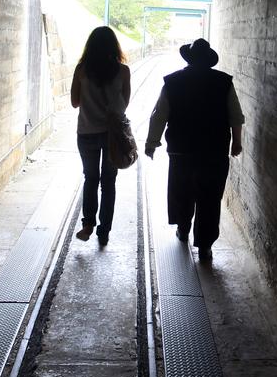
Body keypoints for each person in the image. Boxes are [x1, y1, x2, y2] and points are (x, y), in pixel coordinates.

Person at [144, 38, 244, 261]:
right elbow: (235, 116)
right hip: (215, 150)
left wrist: (152, 142)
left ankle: (183, 227)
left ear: (188, 58)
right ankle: (205, 245)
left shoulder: (173, 81)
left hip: (181, 149)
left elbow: (159, 115)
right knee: (210, 197)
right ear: (209, 61)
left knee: (182, 190)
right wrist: (236, 142)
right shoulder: (223, 82)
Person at [71, 27, 131, 243]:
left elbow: (74, 102)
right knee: (108, 181)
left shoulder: (81, 70)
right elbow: (124, 105)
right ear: (114, 46)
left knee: (90, 178)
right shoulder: (123, 71)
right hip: (111, 136)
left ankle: (88, 224)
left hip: (86, 132)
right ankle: (104, 231)